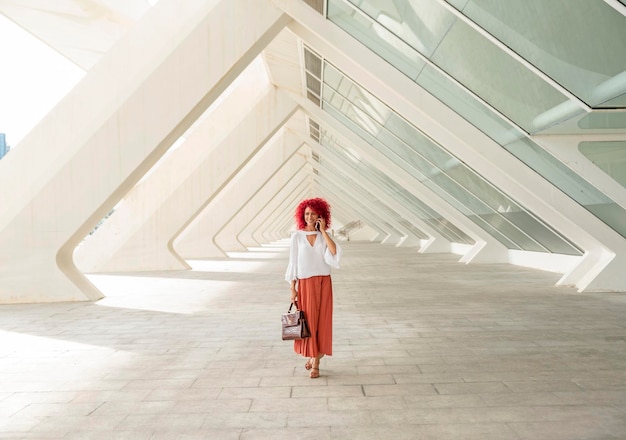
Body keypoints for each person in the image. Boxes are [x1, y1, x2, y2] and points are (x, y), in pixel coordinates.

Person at [285, 197, 342, 379]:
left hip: (324, 282)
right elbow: (292, 263)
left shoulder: (323, 237)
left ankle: (316, 362)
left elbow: (334, 252)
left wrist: (324, 231)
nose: (309, 216)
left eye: (313, 213)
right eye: (307, 213)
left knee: (322, 323)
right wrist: (293, 288)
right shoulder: (297, 236)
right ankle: (313, 356)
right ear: (303, 215)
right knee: (309, 323)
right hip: (306, 284)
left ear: (320, 215)